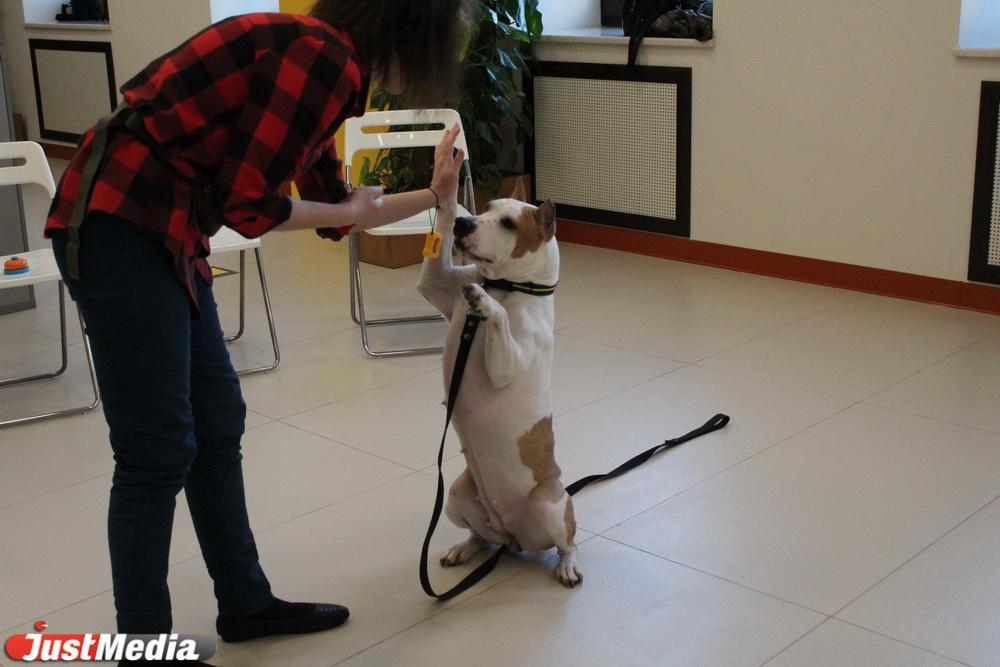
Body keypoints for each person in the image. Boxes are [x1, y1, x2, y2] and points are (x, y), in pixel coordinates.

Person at [43, 0, 473, 655]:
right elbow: (251, 206)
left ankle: (244, 603)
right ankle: (142, 642)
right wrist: (347, 205)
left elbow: (339, 211)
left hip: (166, 231)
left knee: (217, 420)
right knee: (154, 451)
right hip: (121, 224)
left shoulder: (323, 58)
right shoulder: (321, 58)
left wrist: (439, 195)